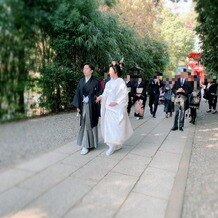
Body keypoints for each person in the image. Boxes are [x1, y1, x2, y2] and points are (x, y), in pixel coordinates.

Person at [96, 61, 133, 156]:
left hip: (117, 108)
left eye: (110, 70)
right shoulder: (108, 83)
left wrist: (116, 102)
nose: (109, 72)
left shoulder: (120, 82)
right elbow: (105, 93)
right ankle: (111, 145)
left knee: (117, 127)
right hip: (109, 108)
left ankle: (117, 143)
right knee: (110, 127)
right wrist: (101, 97)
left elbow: (124, 95)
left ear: (115, 71)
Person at [72, 63, 102, 155]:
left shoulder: (96, 81)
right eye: (83, 68)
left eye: (86, 68)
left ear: (91, 71)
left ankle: (93, 143)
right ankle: (86, 145)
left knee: (91, 124)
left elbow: (100, 93)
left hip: (92, 106)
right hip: (83, 105)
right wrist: (77, 105)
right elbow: (77, 93)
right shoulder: (81, 81)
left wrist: (93, 98)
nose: (84, 70)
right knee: (85, 124)